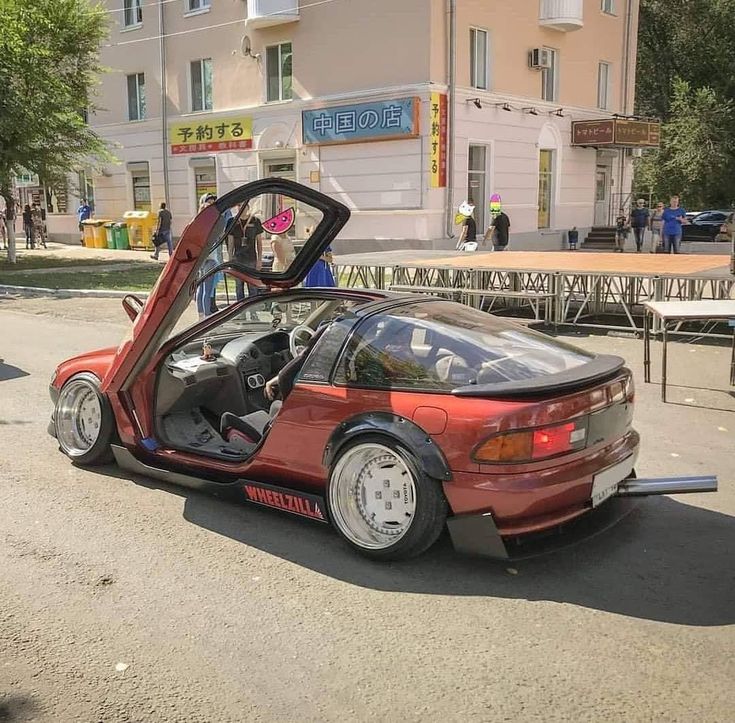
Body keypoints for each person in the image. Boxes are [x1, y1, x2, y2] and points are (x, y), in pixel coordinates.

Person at [195, 194, 225, 320]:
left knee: (201, 289)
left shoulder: (196, 225)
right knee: (208, 290)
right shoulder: (211, 226)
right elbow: (220, 236)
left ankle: (201, 316)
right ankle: (207, 317)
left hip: (200, 261)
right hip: (211, 259)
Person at [228, 202, 264, 302]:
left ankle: (253, 310)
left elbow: (259, 242)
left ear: (248, 207)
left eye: (243, 205)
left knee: (252, 286)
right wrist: (230, 259)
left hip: (251, 259)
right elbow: (230, 242)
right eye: (239, 205)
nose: (241, 207)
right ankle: (240, 311)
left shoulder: (255, 221)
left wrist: (259, 259)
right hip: (238, 259)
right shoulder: (232, 221)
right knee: (239, 286)